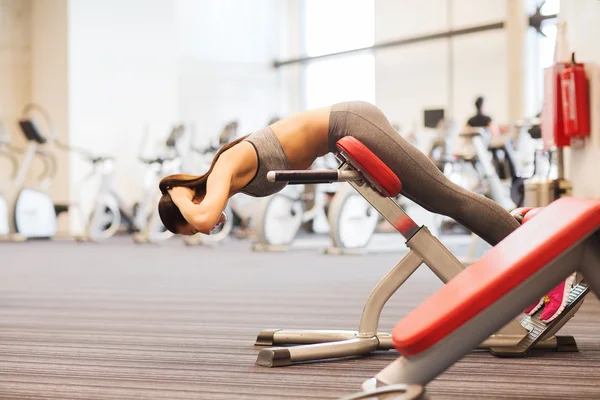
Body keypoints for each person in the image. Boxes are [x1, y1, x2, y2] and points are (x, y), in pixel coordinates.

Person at [159, 101, 519, 245]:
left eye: (187, 226)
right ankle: (518, 240)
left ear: (190, 201)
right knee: (439, 201)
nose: (202, 228)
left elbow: (205, 220)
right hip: (343, 132)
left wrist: (176, 191)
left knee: (446, 197)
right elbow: (207, 219)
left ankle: (531, 256)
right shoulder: (228, 180)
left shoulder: (222, 167)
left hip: (349, 122)